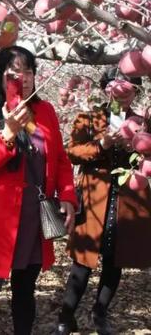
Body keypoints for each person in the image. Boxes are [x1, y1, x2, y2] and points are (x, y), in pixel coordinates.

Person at [0, 45, 77, 335]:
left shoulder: (45, 111)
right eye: (14, 73)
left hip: (32, 218)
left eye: (29, 72)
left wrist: (69, 195)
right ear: (0, 78)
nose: (23, 79)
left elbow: (59, 159)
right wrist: (7, 132)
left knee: (25, 288)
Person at [53, 68, 151, 335]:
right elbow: (72, 152)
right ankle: (65, 317)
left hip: (128, 203)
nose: (125, 94)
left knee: (114, 261)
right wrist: (102, 145)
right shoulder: (90, 118)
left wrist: (141, 149)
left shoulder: (143, 122)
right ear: (108, 89)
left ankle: (100, 313)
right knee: (83, 261)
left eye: (132, 88)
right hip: (96, 201)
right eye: (120, 87)